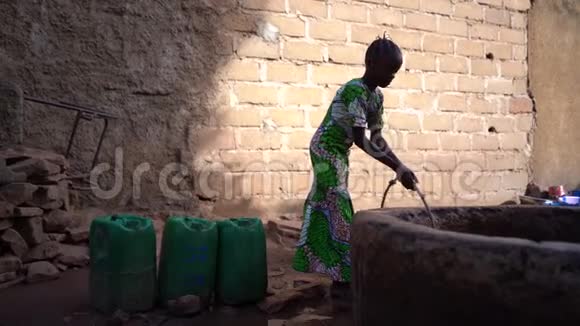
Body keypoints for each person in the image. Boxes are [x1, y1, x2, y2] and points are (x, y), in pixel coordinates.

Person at [291, 33, 418, 312]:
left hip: (340, 152)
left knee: (327, 203)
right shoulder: (354, 91)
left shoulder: (376, 97)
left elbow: (378, 139)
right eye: (388, 69)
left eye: (395, 72)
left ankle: (322, 264)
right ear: (370, 63)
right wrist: (397, 166)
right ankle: (344, 278)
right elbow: (362, 141)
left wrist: (401, 165)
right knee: (338, 202)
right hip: (325, 149)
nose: (391, 76)